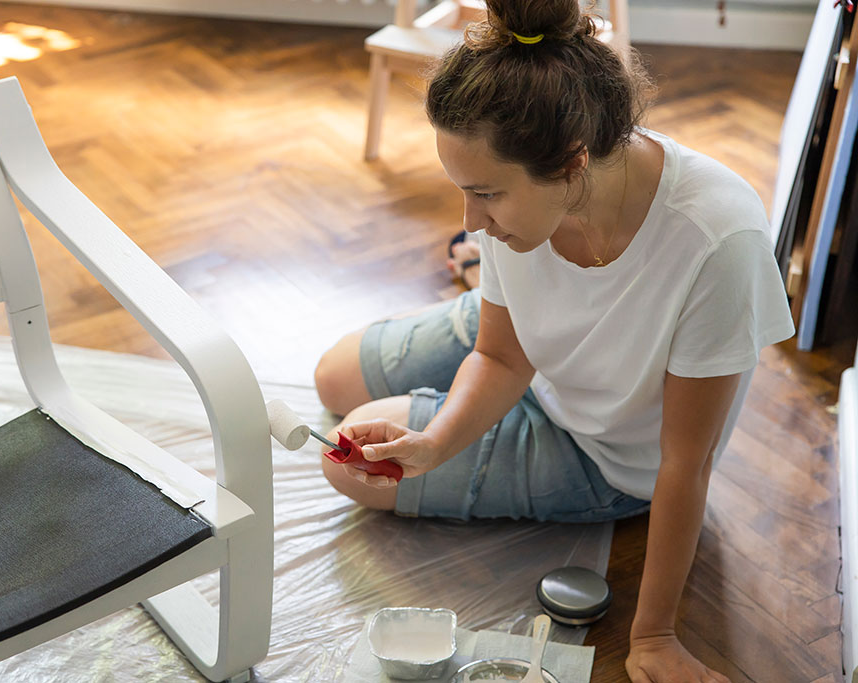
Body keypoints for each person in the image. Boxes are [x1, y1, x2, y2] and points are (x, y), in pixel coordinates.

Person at [313, 1, 796, 681]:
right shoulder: (519, 212)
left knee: (347, 456)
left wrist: (653, 633)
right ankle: (457, 353)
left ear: (572, 165)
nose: (469, 219)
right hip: (532, 350)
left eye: (485, 195)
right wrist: (439, 441)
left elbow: (686, 464)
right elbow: (503, 355)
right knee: (333, 377)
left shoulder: (718, 240)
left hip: (603, 452)